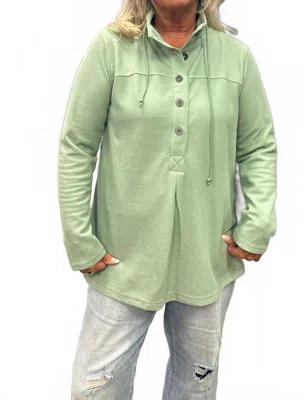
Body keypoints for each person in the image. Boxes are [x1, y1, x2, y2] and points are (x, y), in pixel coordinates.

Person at [57, 0, 277, 398]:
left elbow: (258, 147)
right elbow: (77, 145)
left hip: (207, 258)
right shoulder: (110, 48)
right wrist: (79, 240)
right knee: (94, 388)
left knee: (196, 388)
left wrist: (258, 223)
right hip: (122, 259)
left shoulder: (236, 58)